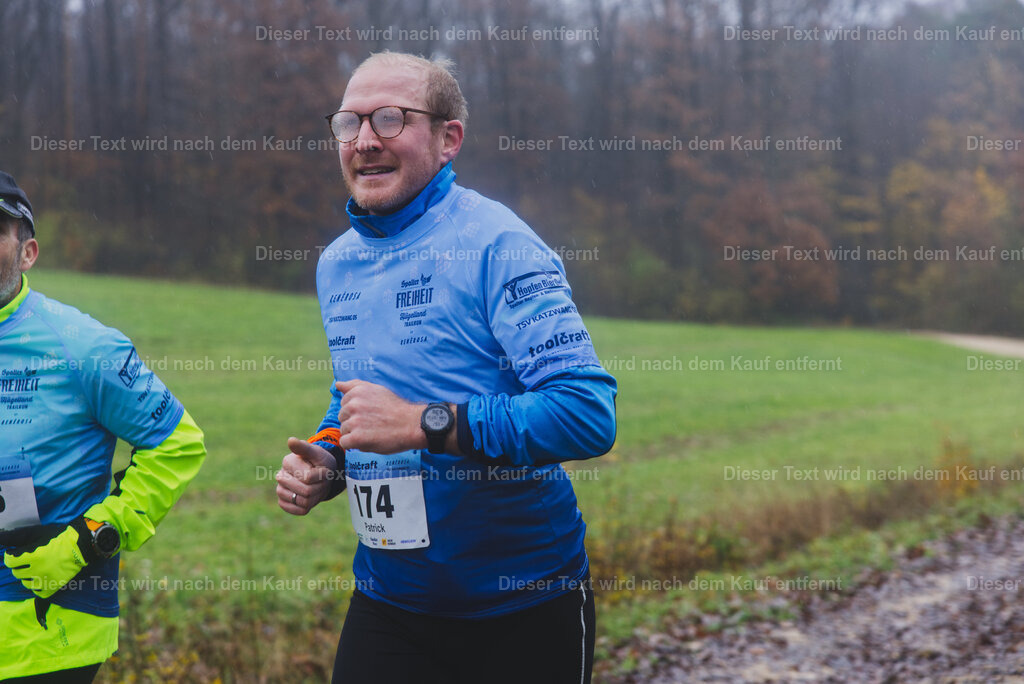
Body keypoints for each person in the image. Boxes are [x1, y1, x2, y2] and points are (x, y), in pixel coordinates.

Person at [275, 52, 617, 684]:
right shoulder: (337, 264)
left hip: (522, 601)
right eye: (349, 124)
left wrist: (422, 424)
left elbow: (587, 414)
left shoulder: (499, 245)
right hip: (390, 602)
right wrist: (330, 457)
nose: (365, 141)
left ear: (447, 138)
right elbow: (356, 403)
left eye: (390, 119)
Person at [0, 171, 206, 683]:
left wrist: (89, 540)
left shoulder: (85, 348)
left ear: (27, 253)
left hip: (45, 635)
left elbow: (177, 446)